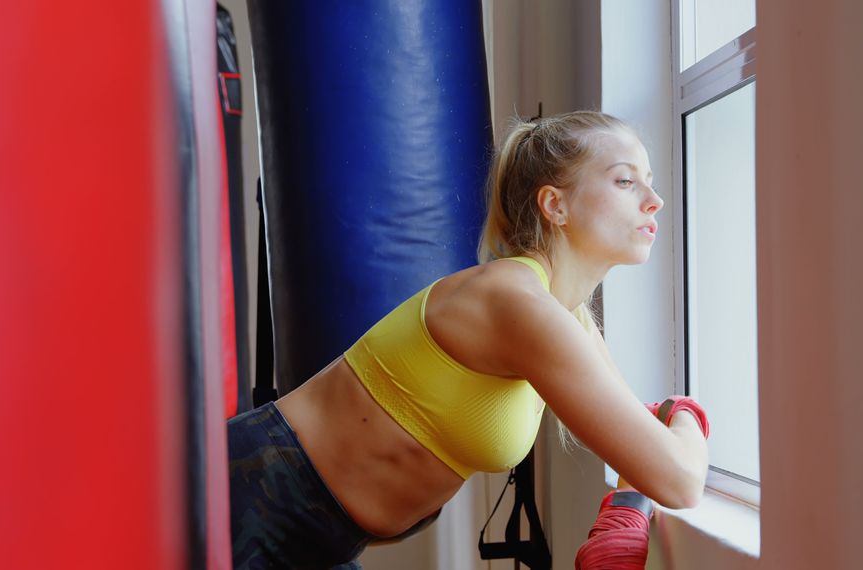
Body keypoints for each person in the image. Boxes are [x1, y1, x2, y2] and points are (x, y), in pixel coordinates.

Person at [227, 110, 710, 569]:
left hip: (319, 535)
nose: (654, 199)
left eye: (649, 181)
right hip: (255, 497)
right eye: (626, 181)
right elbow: (679, 479)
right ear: (555, 205)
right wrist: (689, 412)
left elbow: (639, 442)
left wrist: (625, 511)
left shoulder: (565, 315)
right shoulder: (517, 303)